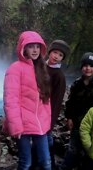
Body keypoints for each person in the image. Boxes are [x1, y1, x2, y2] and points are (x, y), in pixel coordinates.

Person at [3, 30, 52, 170]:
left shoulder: (42, 68)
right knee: (26, 162)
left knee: (46, 161)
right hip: (23, 124)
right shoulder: (15, 69)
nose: (35, 50)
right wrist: (16, 126)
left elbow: (46, 100)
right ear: (23, 48)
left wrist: (47, 123)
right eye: (31, 46)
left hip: (40, 123)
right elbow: (10, 100)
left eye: (37, 46)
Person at [60, 52, 93, 170]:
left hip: (91, 128)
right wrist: (69, 117)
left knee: (88, 154)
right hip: (76, 124)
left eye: (91, 66)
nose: (88, 68)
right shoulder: (76, 84)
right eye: (85, 65)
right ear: (81, 67)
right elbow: (70, 103)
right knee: (72, 149)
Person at [32, 39, 71, 169]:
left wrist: (51, 121)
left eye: (60, 55)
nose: (56, 56)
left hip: (47, 114)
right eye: (55, 52)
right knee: (41, 140)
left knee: (46, 139)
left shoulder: (59, 76)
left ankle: (49, 164)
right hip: (35, 109)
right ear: (49, 52)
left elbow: (57, 101)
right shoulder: (40, 65)